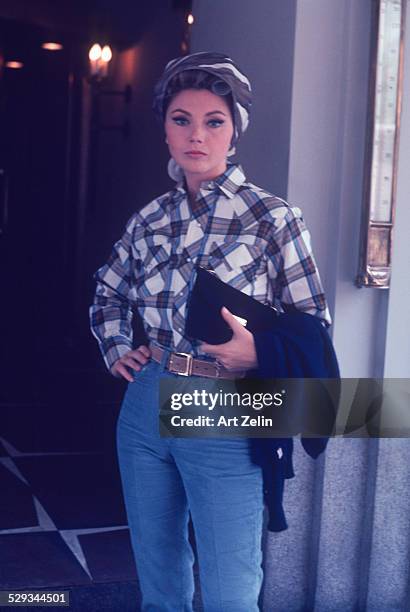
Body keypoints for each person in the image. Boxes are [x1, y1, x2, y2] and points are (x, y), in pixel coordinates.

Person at [90, 52, 332, 612]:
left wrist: (258, 352)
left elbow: (312, 323)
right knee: (159, 574)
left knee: (229, 584)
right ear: (165, 129)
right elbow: (108, 290)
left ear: (235, 129)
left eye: (213, 121)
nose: (196, 135)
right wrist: (118, 347)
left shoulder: (273, 218)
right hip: (147, 398)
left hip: (221, 403)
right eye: (181, 119)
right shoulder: (149, 219)